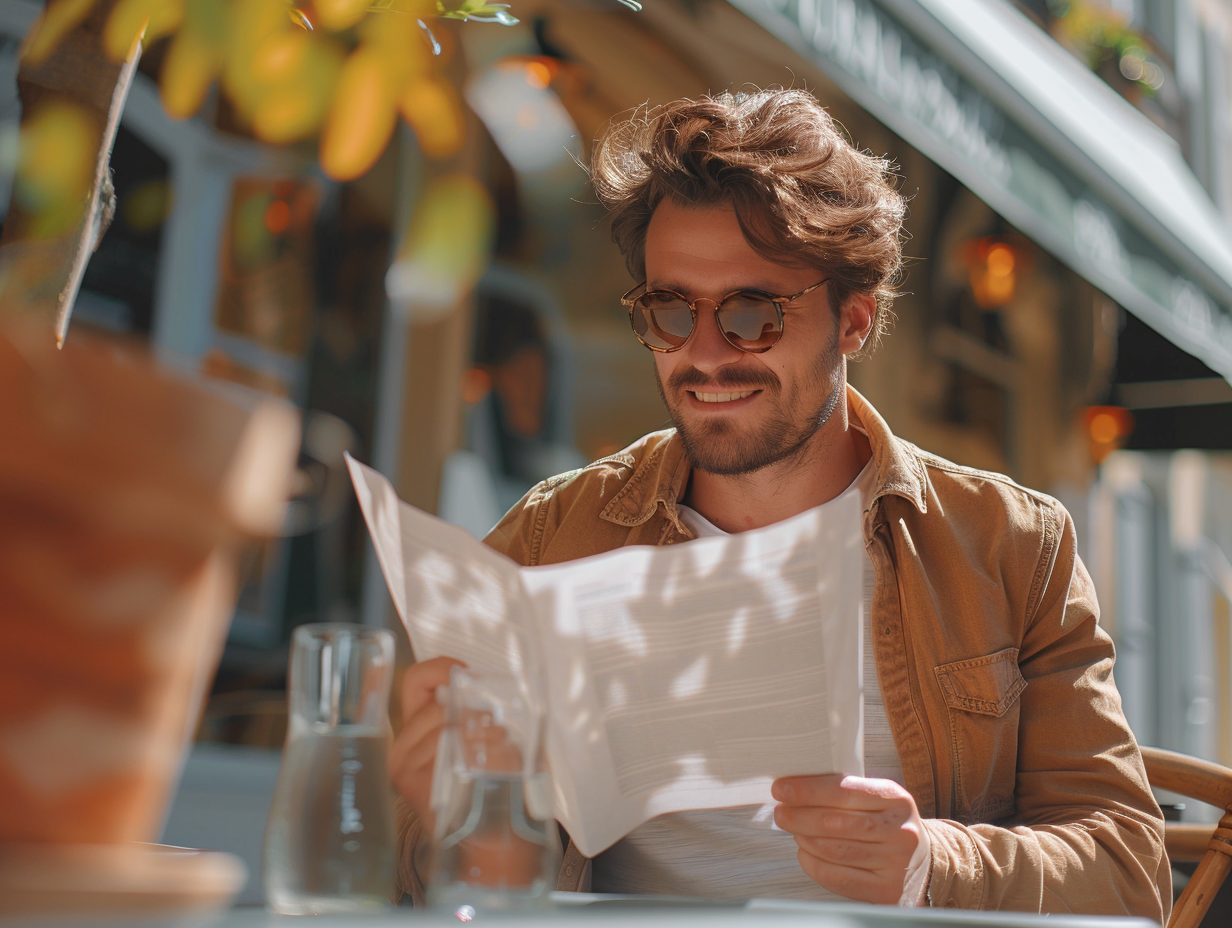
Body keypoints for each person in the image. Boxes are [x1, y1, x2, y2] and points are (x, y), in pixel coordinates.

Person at [388, 89, 1170, 918]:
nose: (704, 355)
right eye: (669, 310)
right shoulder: (549, 539)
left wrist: (929, 864)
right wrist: (465, 815)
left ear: (854, 322)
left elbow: (1128, 873)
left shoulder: (1010, 546)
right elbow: (432, 885)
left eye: (752, 314)